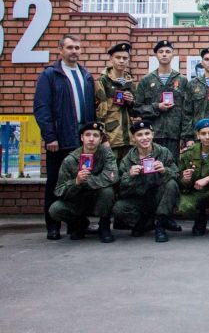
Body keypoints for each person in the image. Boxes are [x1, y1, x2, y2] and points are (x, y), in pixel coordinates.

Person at [34, 34, 96, 240]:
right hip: (59, 141)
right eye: (70, 47)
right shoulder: (50, 75)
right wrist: (50, 136)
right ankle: (53, 226)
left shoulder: (85, 75)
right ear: (60, 50)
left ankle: (76, 224)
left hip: (81, 141)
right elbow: (42, 108)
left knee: (80, 183)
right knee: (55, 183)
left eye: (77, 47)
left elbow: (91, 110)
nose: (74, 51)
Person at [48, 122, 118, 243]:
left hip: (99, 199)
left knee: (108, 191)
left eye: (96, 135)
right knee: (55, 209)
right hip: (78, 199)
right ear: (82, 138)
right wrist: (76, 182)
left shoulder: (106, 154)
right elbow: (59, 190)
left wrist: (87, 181)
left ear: (101, 139)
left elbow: (112, 177)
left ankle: (104, 226)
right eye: (88, 135)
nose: (91, 139)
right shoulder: (71, 159)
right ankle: (80, 224)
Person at [112, 121, 181, 242]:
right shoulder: (128, 159)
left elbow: (176, 175)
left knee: (171, 184)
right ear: (134, 138)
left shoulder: (163, 152)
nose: (144, 138)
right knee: (119, 208)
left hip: (159, 197)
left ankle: (160, 224)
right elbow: (120, 188)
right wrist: (130, 175)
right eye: (139, 135)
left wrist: (165, 170)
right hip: (139, 198)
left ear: (153, 134)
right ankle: (145, 221)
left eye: (147, 133)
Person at [133, 40, 189, 163]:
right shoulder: (146, 81)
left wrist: (185, 135)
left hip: (174, 135)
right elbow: (136, 108)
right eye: (161, 52)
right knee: (151, 168)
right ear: (156, 55)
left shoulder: (182, 80)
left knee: (172, 168)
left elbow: (187, 111)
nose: (164, 54)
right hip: (151, 134)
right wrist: (157, 107)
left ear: (173, 55)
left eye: (168, 51)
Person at [95, 42, 136, 163]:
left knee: (126, 173)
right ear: (111, 59)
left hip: (128, 136)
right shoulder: (103, 80)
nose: (121, 61)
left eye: (125, 58)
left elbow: (135, 111)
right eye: (118, 58)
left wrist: (131, 101)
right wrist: (102, 138)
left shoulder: (130, 81)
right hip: (111, 135)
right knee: (110, 172)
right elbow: (99, 113)